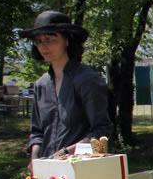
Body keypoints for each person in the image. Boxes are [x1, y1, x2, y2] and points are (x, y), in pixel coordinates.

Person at [19, 10, 114, 162]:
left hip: (82, 167)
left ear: (67, 40)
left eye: (50, 39)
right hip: (47, 169)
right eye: (38, 41)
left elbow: (101, 130)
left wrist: (64, 153)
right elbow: (37, 133)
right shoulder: (41, 85)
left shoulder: (87, 80)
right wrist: (34, 159)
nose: (43, 46)